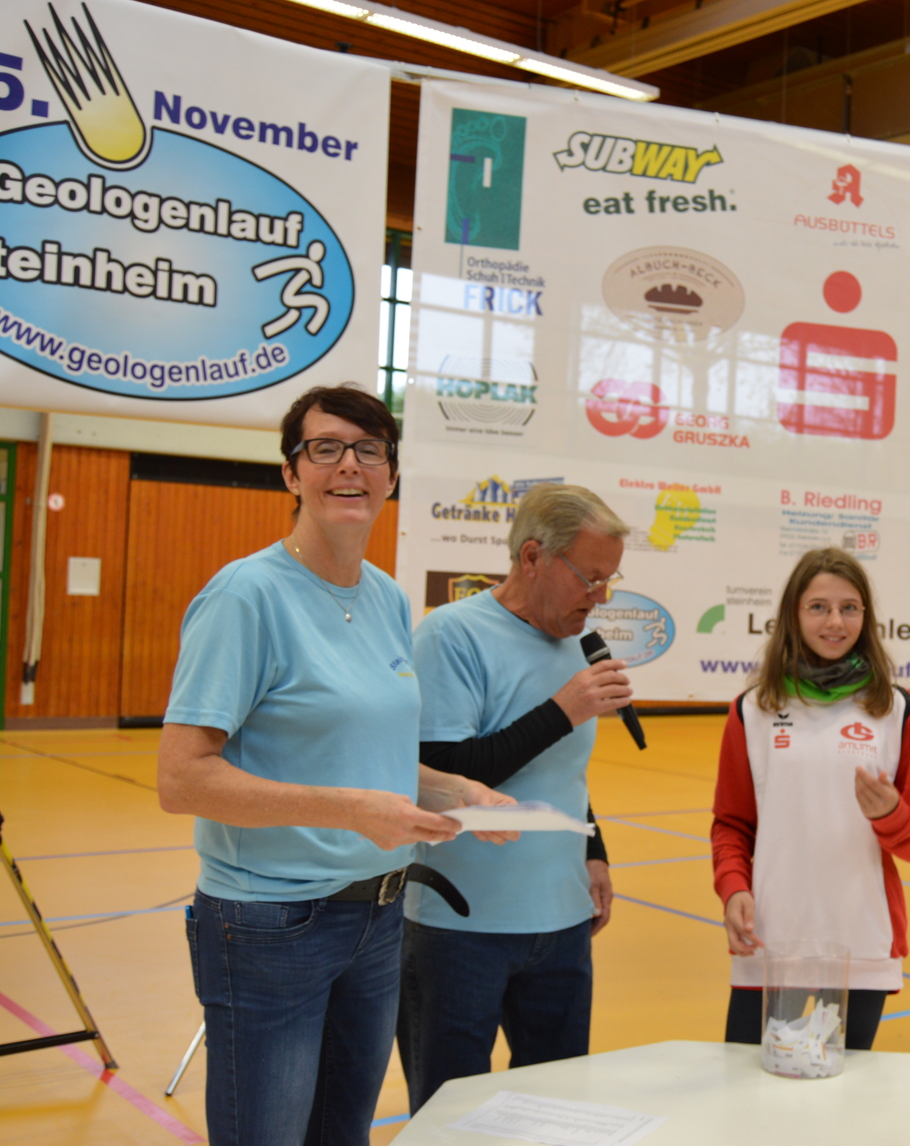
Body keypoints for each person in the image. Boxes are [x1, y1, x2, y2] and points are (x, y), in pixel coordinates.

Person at [159, 384, 515, 1146]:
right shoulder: (246, 596)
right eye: (325, 449)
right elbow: (182, 777)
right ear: (291, 473)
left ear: (391, 474)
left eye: (368, 450)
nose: (349, 466)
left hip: (377, 917)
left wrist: (458, 791)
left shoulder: (386, 598)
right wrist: (351, 812)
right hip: (271, 926)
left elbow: (372, 762)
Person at [397, 483, 634, 1113]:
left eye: (609, 580)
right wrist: (562, 711)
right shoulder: (451, 635)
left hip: (561, 922)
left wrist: (595, 851)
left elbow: (564, 773)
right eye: (589, 577)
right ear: (532, 556)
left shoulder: (577, 642)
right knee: (449, 1116)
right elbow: (442, 773)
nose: (600, 596)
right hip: (459, 927)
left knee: (554, 1111)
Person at [711, 547, 910, 1049]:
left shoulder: (895, 710)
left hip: (859, 942)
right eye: (818, 607)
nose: (835, 621)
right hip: (770, 938)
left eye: (849, 608)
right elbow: (731, 824)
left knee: (845, 1092)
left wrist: (891, 815)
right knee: (746, 1085)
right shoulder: (753, 710)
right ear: (793, 614)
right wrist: (732, 888)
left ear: (866, 616)